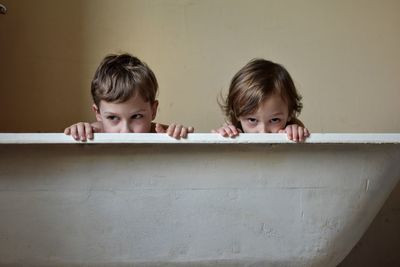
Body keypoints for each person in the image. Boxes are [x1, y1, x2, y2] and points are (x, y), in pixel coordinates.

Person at [64, 53, 194, 141]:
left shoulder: (161, 133)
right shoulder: (93, 132)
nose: (125, 131)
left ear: (153, 110)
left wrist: (178, 135)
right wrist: (77, 131)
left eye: (136, 116)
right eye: (113, 117)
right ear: (97, 113)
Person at [213, 58, 309, 142]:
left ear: (290, 113)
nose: (263, 132)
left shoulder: (292, 129)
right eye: (252, 120)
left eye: (274, 120)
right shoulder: (233, 129)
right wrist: (224, 136)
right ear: (236, 113)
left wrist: (296, 132)